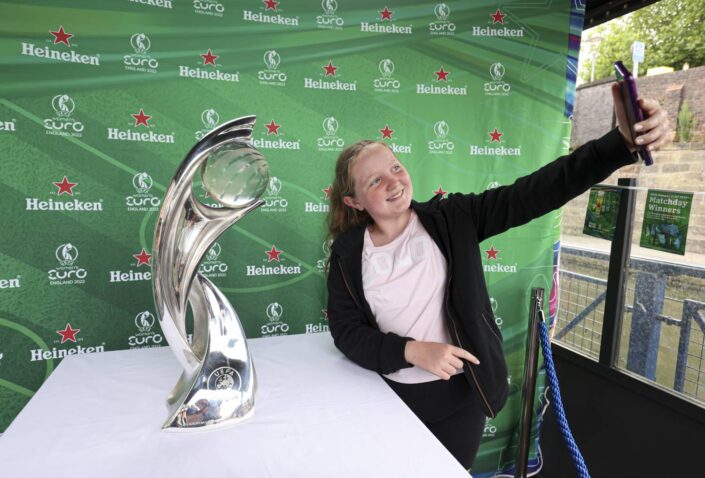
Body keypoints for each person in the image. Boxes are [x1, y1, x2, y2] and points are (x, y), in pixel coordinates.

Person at [325, 84, 670, 471]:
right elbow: (346, 332)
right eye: (373, 181)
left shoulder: (453, 219)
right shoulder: (348, 254)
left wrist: (619, 144)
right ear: (353, 201)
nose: (392, 181)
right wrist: (411, 350)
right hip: (387, 397)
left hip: (460, 402)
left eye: (395, 167)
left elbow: (536, 192)